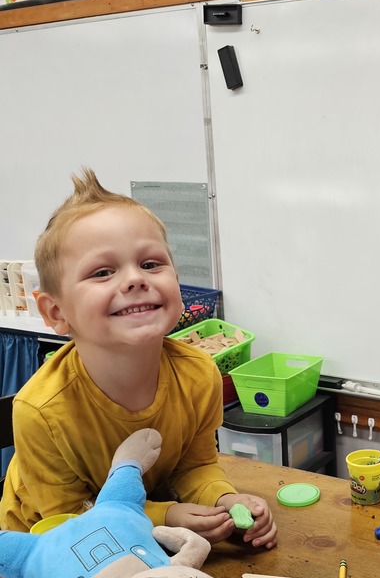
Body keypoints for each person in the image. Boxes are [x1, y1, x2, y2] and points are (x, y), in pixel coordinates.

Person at [0, 169, 277, 547]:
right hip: (47, 553)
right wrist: (166, 516)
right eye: (102, 272)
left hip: (147, 544)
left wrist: (224, 499)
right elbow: (68, 518)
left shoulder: (199, 374)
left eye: (150, 264)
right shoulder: (41, 411)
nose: (134, 279)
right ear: (56, 313)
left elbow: (194, 466)